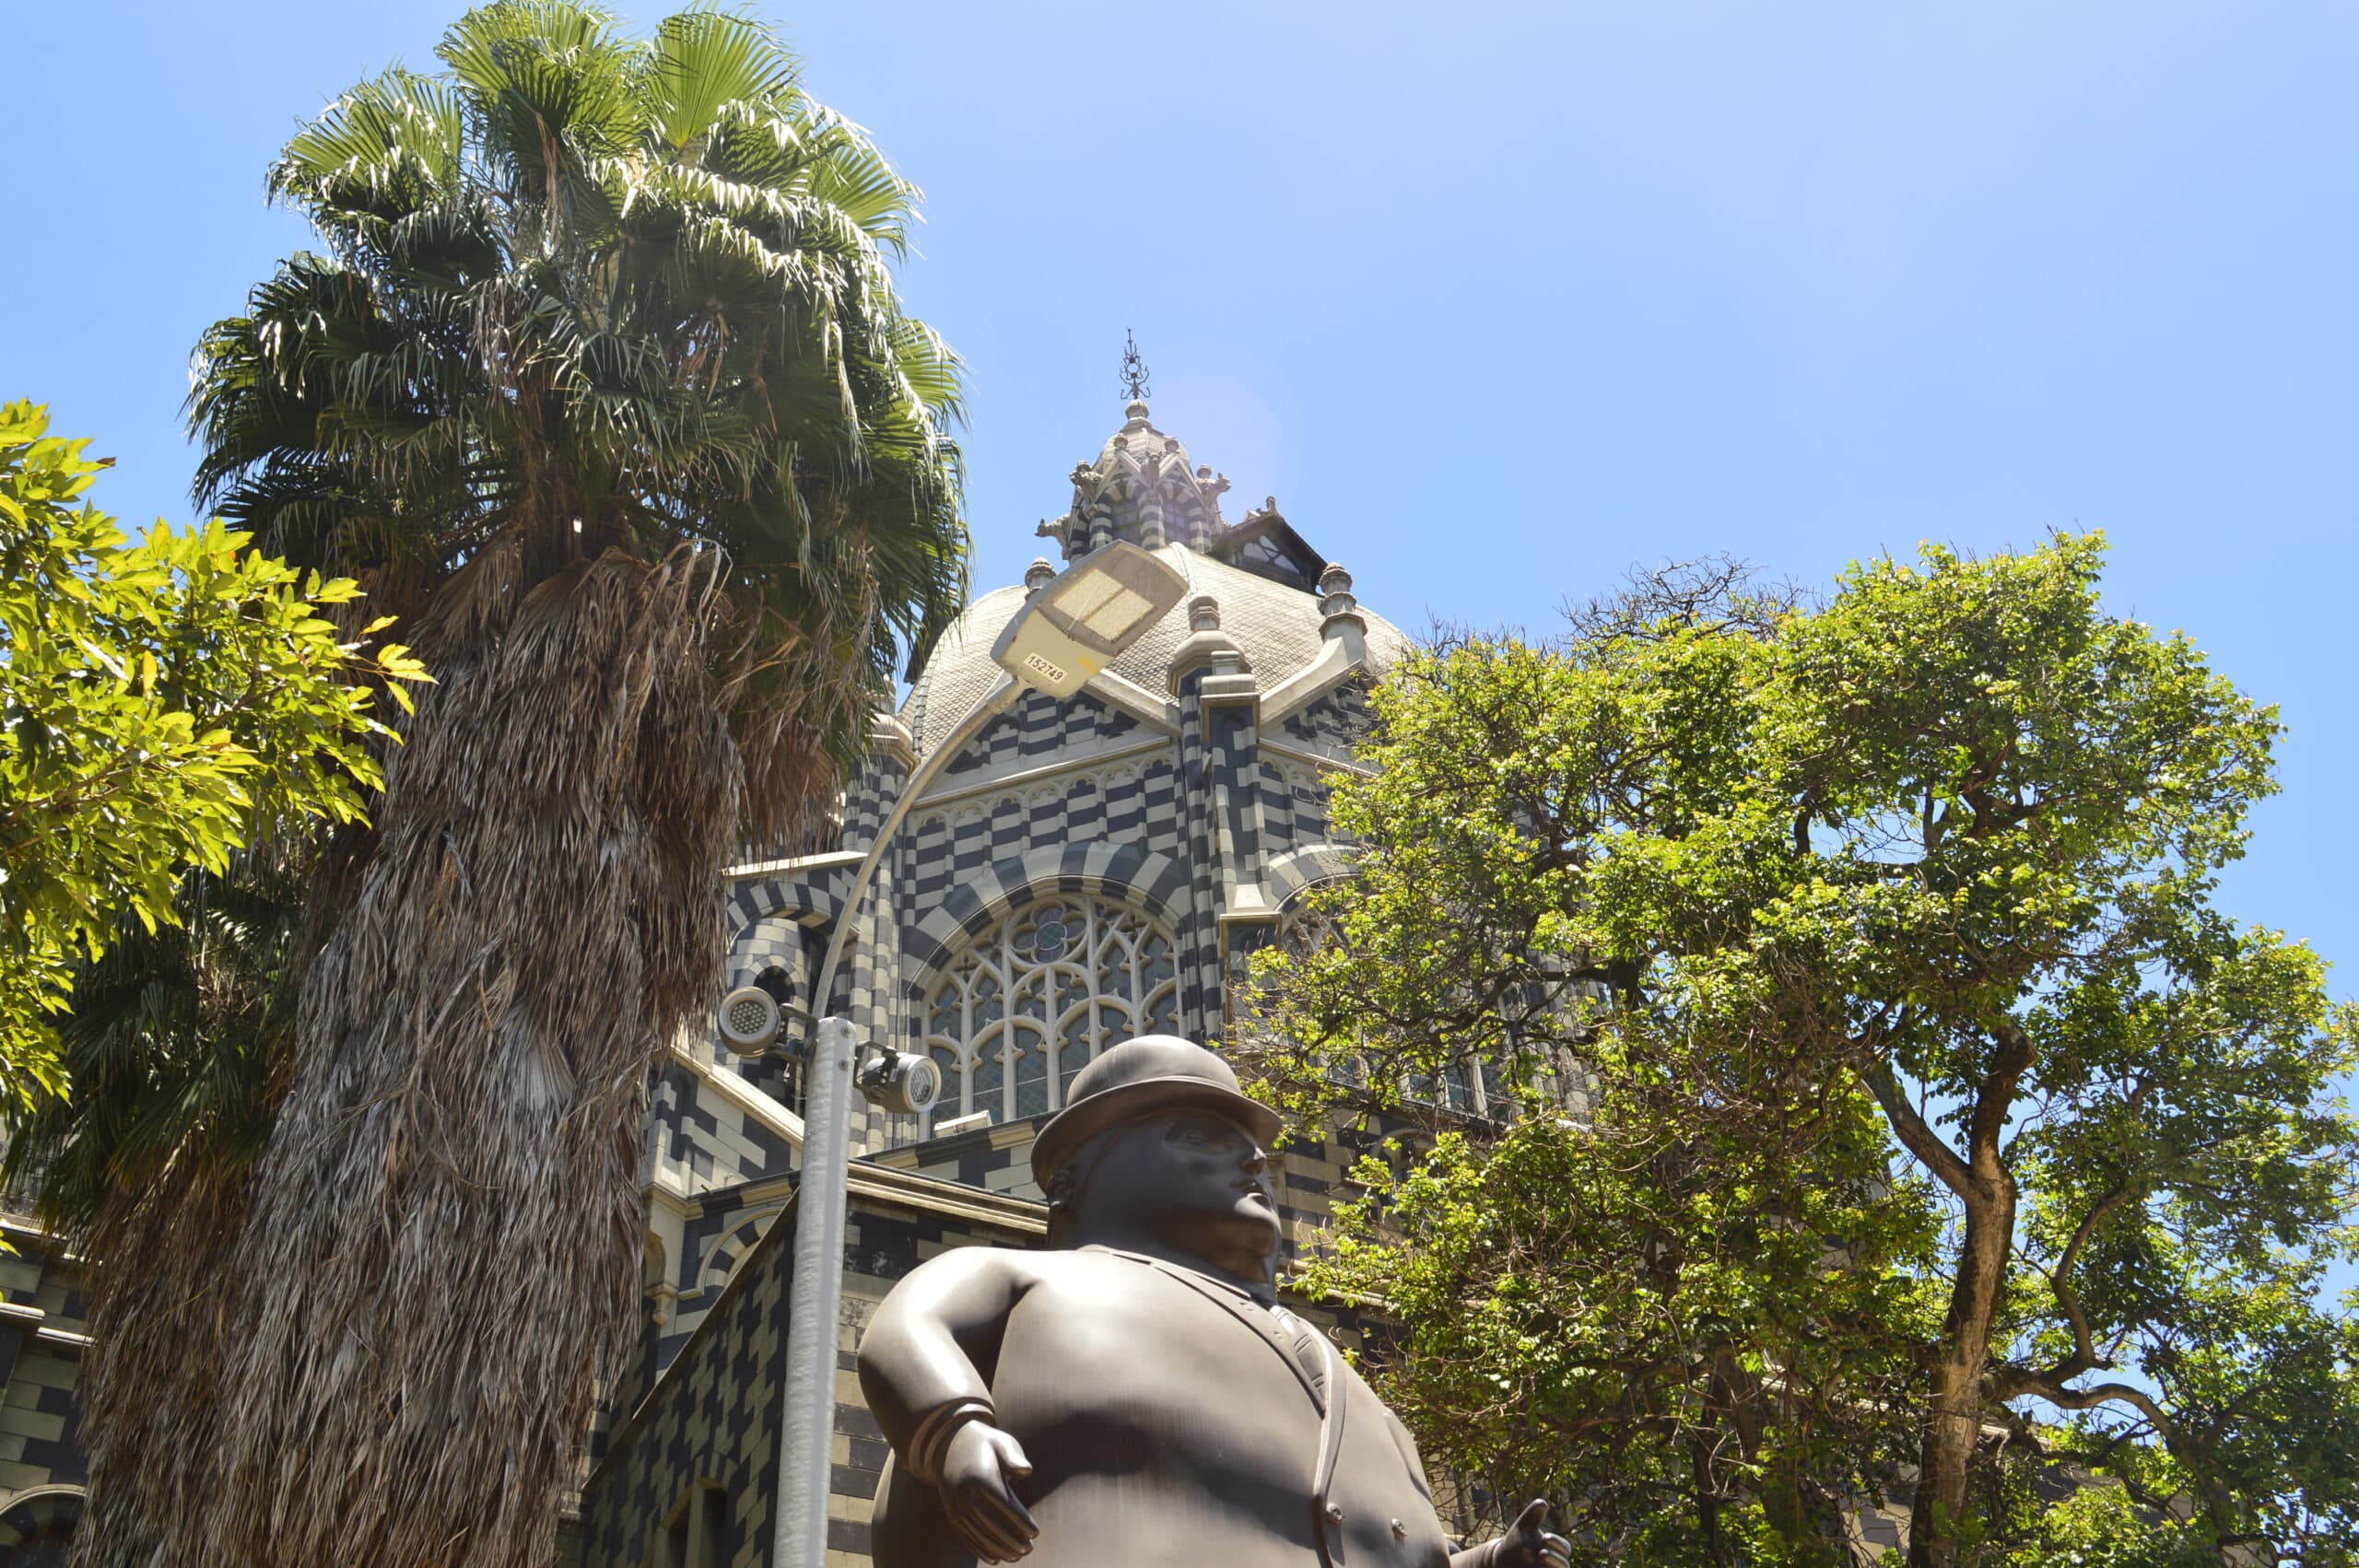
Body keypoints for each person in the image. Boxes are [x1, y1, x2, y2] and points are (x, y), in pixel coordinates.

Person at [856, 1035, 1572, 1567]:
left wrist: (1487, 1561)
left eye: (1254, 1151)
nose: (1254, 1161)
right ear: (1071, 1183)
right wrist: (954, 1429)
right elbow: (907, 1327)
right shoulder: (1024, 1278)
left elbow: (1396, 1539)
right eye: (1199, 1137)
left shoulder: (1356, 1387)